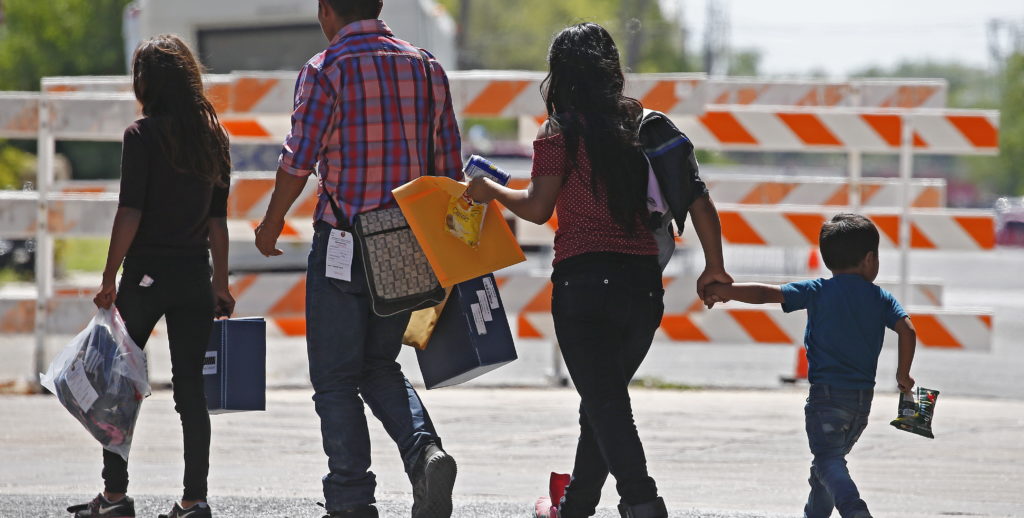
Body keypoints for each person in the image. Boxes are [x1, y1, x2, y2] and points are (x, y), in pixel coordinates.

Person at [466, 22, 731, 518]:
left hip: (582, 285)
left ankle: (641, 499)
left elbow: (539, 208)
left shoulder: (559, 132)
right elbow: (698, 199)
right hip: (641, 287)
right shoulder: (645, 126)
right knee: (602, 401)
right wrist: (714, 268)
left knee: (606, 403)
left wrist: (491, 191)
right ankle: (577, 505)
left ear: (559, 75)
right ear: (612, 70)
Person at [253, 1, 463, 517]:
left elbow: (298, 159)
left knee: (335, 376)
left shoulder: (327, 69)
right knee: (379, 364)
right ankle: (424, 452)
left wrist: (272, 221)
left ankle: (350, 498)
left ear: (327, 10)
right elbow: (448, 168)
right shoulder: (427, 66)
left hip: (344, 241)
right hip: (407, 242)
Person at [75, 35, 235, 518]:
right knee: (191, 393)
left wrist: (108, 277)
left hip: (144, 276)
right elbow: (217, 223)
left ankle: (115, 496)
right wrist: (221, 285)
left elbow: (130, 213)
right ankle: (194, 500)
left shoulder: (141, 137)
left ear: (147, 83)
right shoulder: (213, 138)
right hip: (193, 278)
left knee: (117, 383)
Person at [703, 213, 918, 518]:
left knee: (828, 461)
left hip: (826, 399)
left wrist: (724, 291)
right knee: (825, 466)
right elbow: (907, 330)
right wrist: (903, 375)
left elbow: (766, 293)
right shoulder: (881, 298)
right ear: (871, 259)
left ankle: (854, 509)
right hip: (861, 402)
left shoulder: (818, 290)